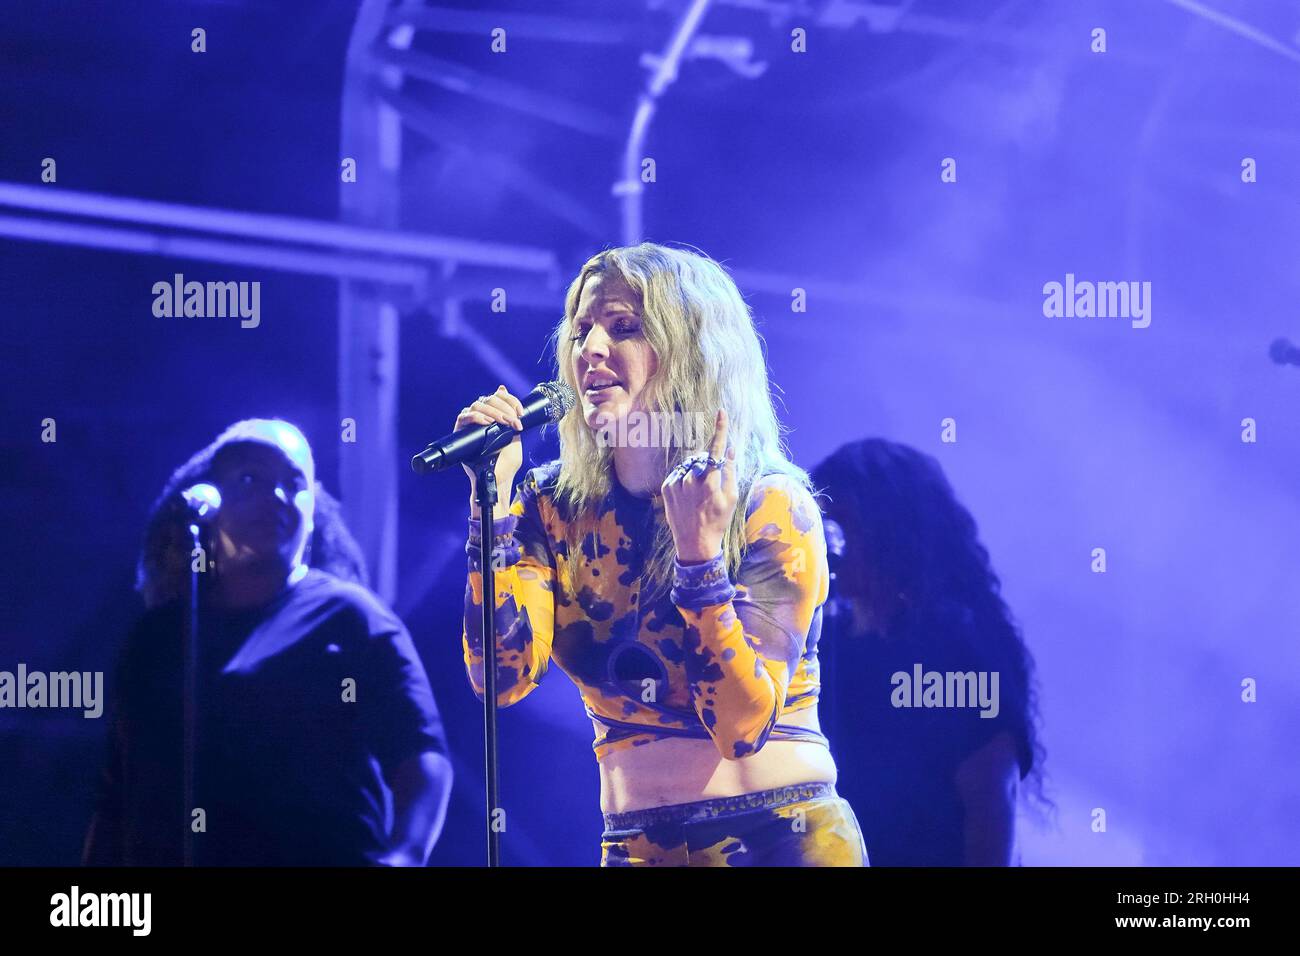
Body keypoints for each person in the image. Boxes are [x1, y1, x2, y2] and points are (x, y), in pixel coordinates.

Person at [456, 242, 867, 866]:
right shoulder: (550, 506)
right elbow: (500, 680)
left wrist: (701, 563)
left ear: (690, 355)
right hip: (639, 847)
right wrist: (492, 507)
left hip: (779, 840)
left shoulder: (767, 504)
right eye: (581, 329)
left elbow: (741, 728)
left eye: (623, 328)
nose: (590, 350)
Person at [83, 419, 452, 866]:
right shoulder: (157, 638)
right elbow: (117, 795)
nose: (275, 496)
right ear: (210, 500)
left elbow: (421, 754)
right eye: (250, 479)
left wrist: (406, 854)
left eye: (293, 483)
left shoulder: (349, 617)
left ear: (313, 514)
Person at [811, 439, 1051, 866]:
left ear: (889, 533)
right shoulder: (829, 642)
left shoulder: (956, 646)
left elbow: (990, 800)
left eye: (842, 525)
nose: (830, 546)